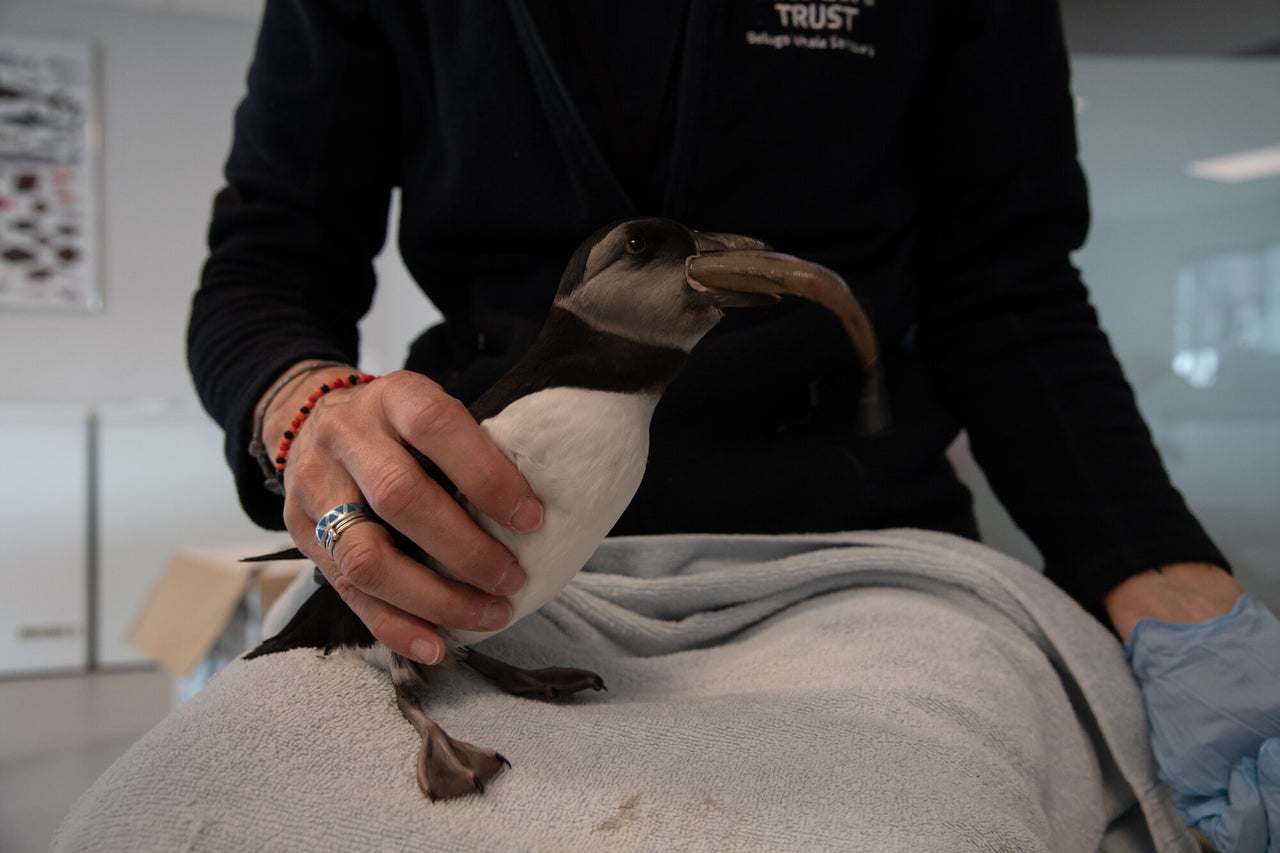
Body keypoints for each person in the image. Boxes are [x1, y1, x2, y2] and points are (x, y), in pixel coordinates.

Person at [187, 1, 1278, 848]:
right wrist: (304, 413)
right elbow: (264, 265)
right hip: (465, 540)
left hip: (862, 556)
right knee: (189, 818)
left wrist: (1166, 579)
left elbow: (1008, 295)